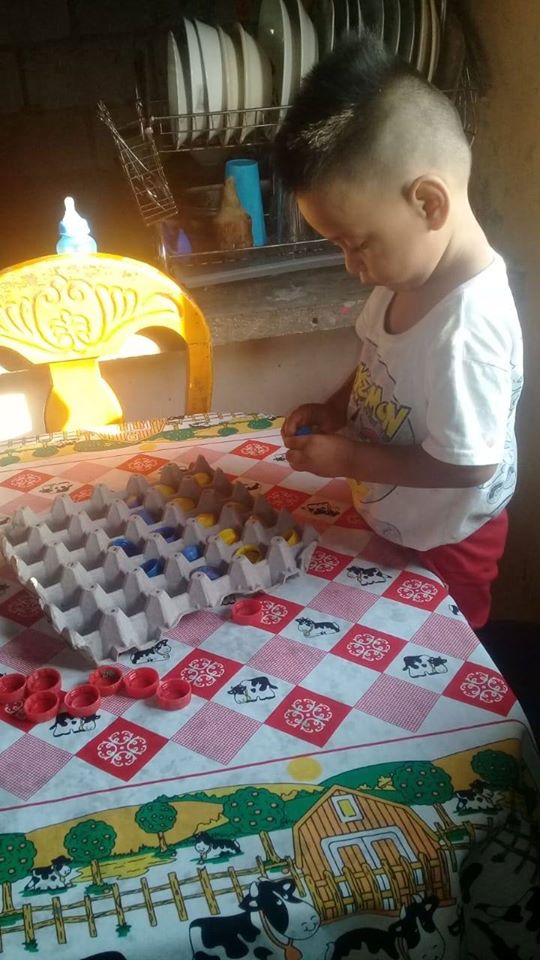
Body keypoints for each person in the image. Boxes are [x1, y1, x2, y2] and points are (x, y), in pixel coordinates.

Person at [275, 35, 523, 630]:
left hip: (448, 541)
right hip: (391, 512)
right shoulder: (403, 276)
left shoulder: (468, 331)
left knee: (435, 655)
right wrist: (334, 409)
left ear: (428, 203)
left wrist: (351, 457)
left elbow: (469, 466)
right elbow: (374, 358)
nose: (350, 265)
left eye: (357, 243)